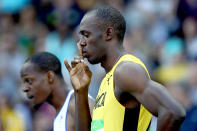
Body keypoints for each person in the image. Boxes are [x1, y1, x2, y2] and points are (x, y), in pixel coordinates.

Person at [64, 5, 186, 131]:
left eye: (86, 35)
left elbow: (173, 112)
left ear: (108, 33)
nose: (81, 43)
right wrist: (81, 91)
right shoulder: (107, 80)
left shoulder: (125, 70)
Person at [20, 52, 94, 131]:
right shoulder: (59, 110)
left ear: (49, 77)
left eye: (29, 81)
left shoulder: (77, 103)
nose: (25, 88)